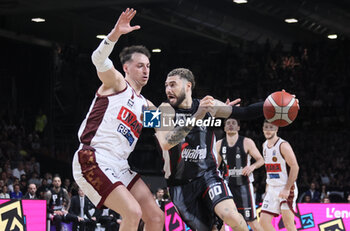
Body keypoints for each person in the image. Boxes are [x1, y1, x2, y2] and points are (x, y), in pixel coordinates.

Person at [72, 8, 164, 231]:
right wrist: (115, 34)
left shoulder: (145, 105)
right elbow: (98, 59)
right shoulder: (116, 84)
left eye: (148, 66)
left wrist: (204, 112)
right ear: (126, 68)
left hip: (120, 165)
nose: (146, 70)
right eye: (140, 65)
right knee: (132, 212)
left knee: (156, 217)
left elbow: (169, 130)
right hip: (94, 157)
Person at [154, 68, 278, 231]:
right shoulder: (161, 110)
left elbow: (245, 112)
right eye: (166, 86)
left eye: (172, 85)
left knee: (232, 216)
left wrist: (276, 103)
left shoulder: (208, 106)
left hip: (208, 175)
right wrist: (197, 116)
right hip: (180, 186)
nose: (168, 89)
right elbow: (166, 143)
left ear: (188, 86)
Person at [216, 118, 264, 231]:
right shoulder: (219, 144)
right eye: (228, 123)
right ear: (224, 128)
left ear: (238, 127)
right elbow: (216, 167)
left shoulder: (247, 142)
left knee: (251, 221)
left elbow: (261, 160)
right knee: (221, 221)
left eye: (233, 123)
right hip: (227, 187)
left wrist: (252, 167)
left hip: (244, 186)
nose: (231, 125)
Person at [259, 121, 299, 231]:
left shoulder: (283, 145)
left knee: (289, 224)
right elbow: (269, 169)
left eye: (271, 127)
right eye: (266, 127)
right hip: (272, 188)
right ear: (262, 129)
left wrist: (287, 188)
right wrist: (268, 187)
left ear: (276, 129)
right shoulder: (264, 145)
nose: (268, 130)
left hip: (285, 187)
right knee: (263, 223)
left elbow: (295, 167)